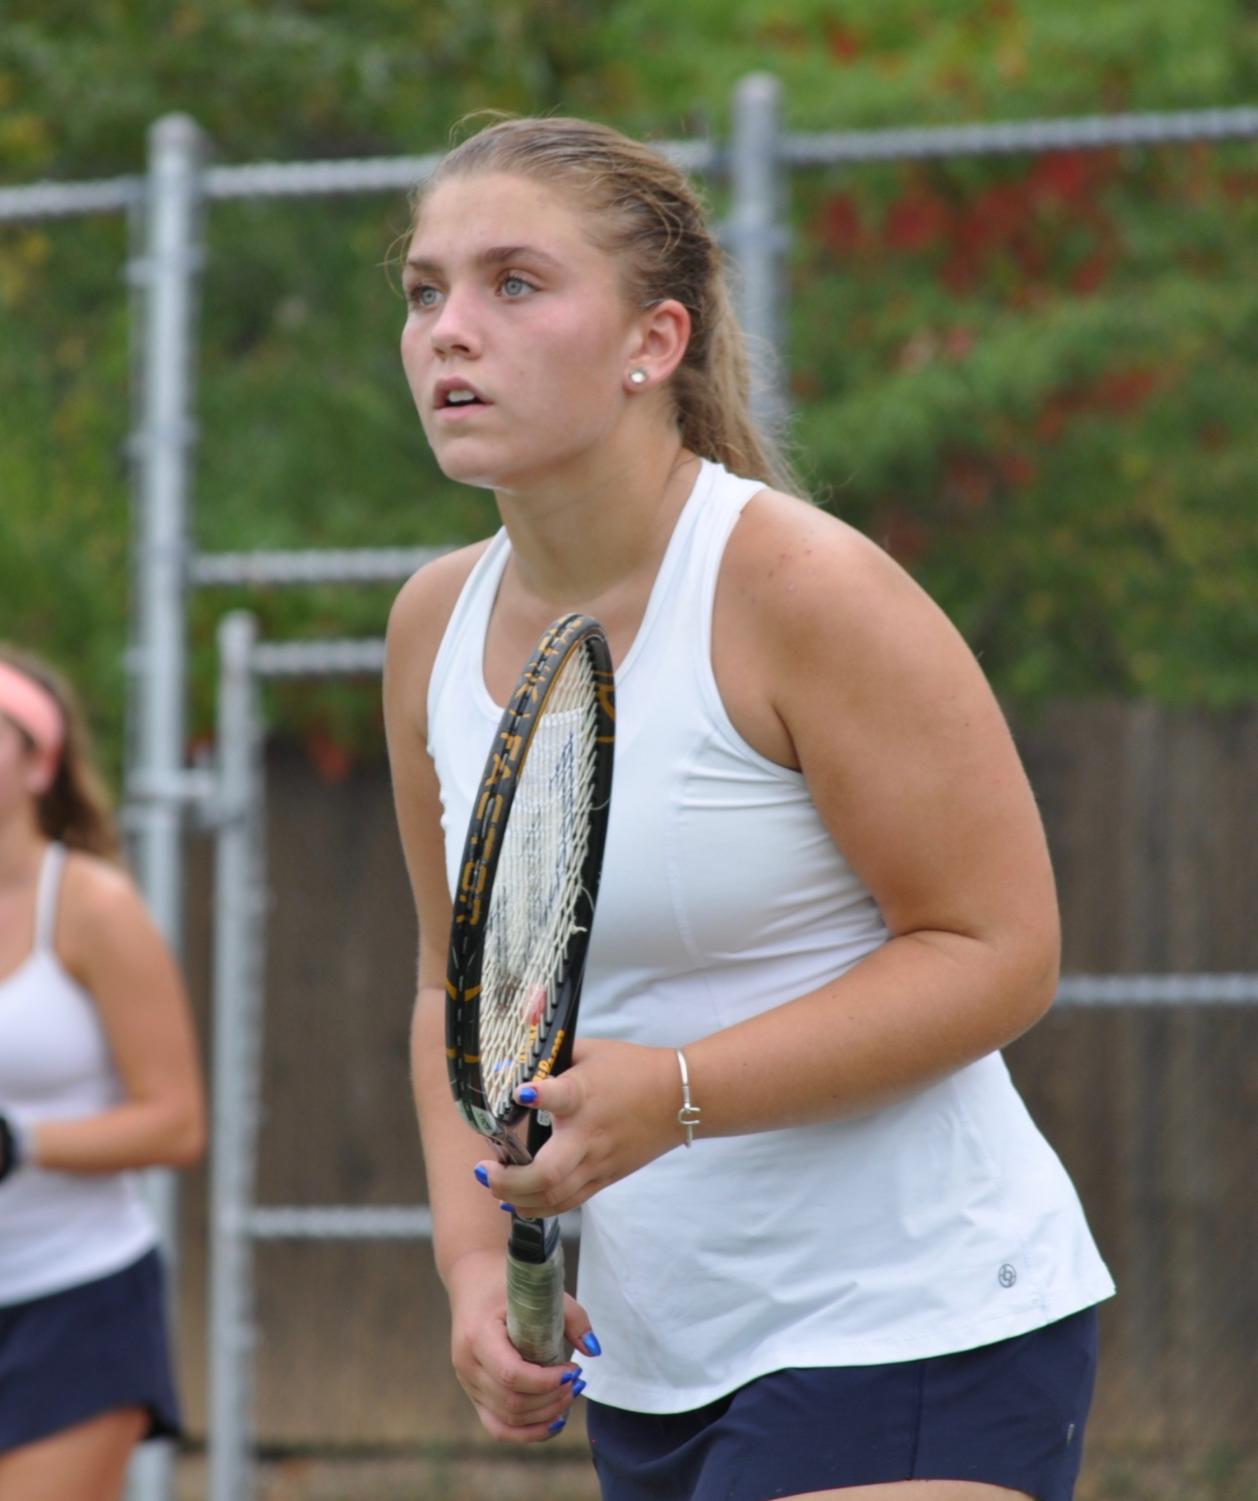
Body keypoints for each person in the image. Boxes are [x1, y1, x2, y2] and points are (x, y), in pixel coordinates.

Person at [383, 116, 1114, 1501]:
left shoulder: (798, 587)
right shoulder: (431, 627)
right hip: (657, 1365)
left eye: (513, 284)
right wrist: (475, 1266)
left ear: (653, 343)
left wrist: (678, 1095)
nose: (448, 331)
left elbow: (997, 949)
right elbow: (452, 987)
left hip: (917, 1324)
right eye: (426, 291)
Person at [0, 646, 205, 1501]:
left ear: (38, 762)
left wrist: (20, 1143)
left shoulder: (92, 905)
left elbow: (177, 1121)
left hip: (74, 1305)